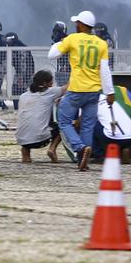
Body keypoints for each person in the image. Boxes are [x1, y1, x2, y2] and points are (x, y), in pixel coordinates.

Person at [48, 10, 115, 171]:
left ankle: (79, 148)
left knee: (64, 121)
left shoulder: (72, 39)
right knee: (87, 126)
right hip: (94, 91)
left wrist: (60, 42)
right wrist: (110, 92)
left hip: (77, 89)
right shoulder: (101, 43)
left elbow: (52, 55)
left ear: (83, 25)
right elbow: (104, 70)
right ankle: (82, 160)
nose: (75, 25)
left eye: (77, 22)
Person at [16, 70, 66, 163]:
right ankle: (52, 149)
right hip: (40, 140)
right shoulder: (50, 92)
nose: (52, 85)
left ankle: (26, 155)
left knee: (29, 122)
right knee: (63, 126)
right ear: (45, 83)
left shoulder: (23, 96)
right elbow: (68, 88)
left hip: (21, 139)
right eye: (51, 83)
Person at [92, 85, 131, 164]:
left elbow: (80, 122)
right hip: (130, 137)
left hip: (110, 137)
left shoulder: (90, 100)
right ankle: (125, 148)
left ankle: (99, 156)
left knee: (89, 124)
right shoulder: (120, 94)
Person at [5, 32, 35, 110]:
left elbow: (23, 64)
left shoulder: (20, 48)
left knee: (18, 93)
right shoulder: (17, 47)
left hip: (24, 75)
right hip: (23, 74)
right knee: (17, 93)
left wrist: (20, 78)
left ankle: (20, 110)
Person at [51, 21, 71, 86]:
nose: (54, 34)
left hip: (68, 69)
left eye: (56, 32)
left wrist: (66, 67)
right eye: (54, 32)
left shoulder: (66, 42)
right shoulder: (59, 43)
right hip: (63, 69)